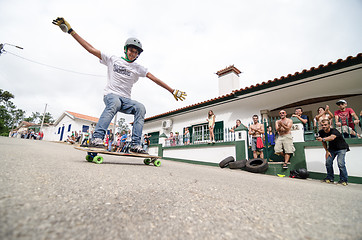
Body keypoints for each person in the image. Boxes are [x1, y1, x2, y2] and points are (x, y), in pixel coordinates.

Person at [53, 17, 186, 154]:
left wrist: (172, 90)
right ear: (125, 49)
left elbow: (154, 79)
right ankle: (97, 138)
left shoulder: (138, 68)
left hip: (126, 100)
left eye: (136, 53)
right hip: (111, 95)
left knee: (140, 108)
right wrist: (70, 30)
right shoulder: (112, 59)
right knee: (115, 103)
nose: (133, 54)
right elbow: (90, 48)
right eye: (131, 51)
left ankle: (135, 145)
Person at [316, 119, 350, 186]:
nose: (324, 126)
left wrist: (323, 139)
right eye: (322, 125)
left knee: (341, 164)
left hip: (341, 148)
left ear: (329, 125)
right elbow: (324, 142)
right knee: (328, 162)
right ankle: (330, 178)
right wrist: (327, 151)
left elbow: (332, 138)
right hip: (331, 149)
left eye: (325, 125)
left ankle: (344, 180)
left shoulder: (334, 130)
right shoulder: (321, 132)